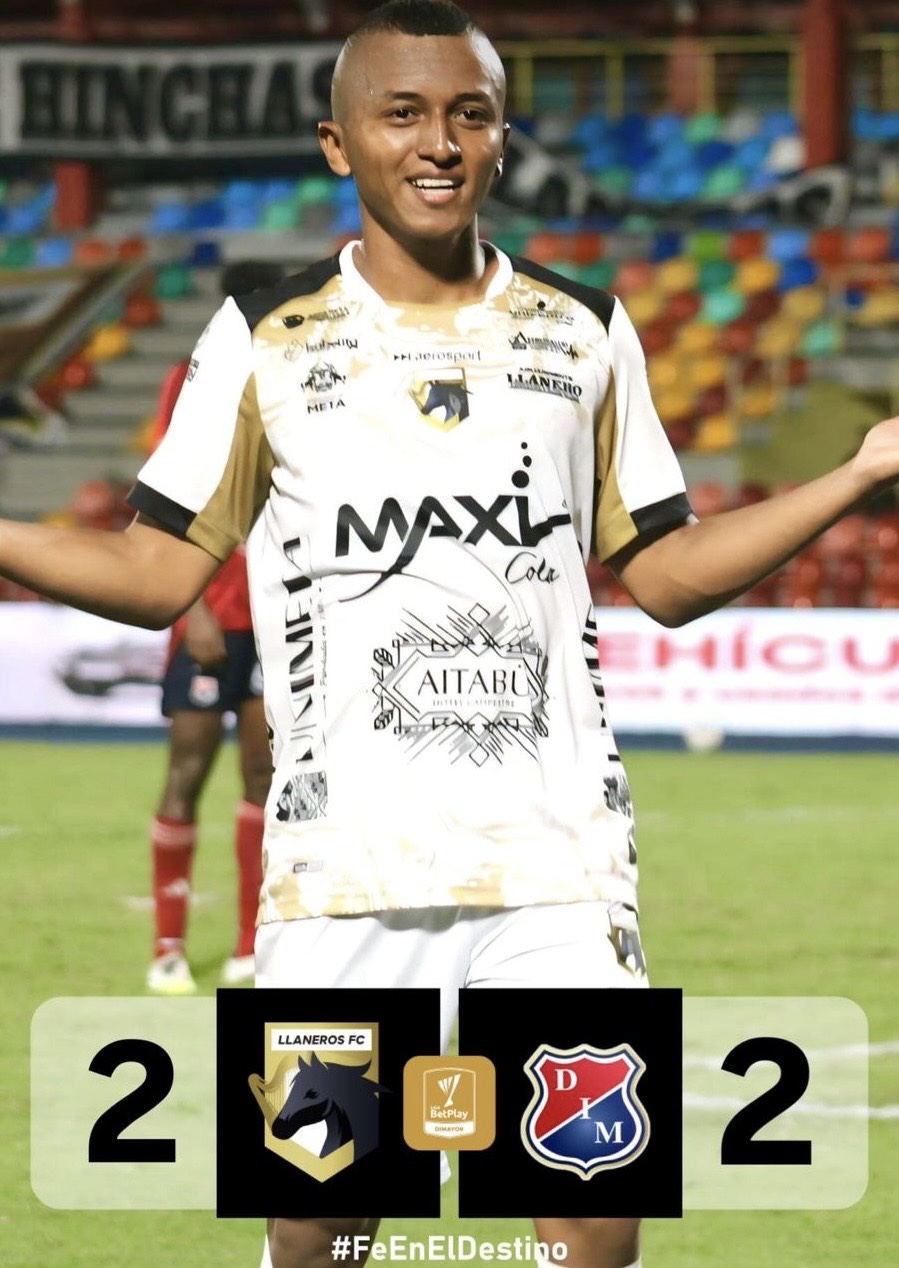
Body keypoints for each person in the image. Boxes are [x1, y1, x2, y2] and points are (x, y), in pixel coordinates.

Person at [2, 2, 899, 1264]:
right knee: (323, 1226)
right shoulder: (261, 336)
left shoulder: (582, 329)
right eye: (403, 113)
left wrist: (856, 472)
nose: (437, 142)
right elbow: (154, 572)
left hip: (557, 866)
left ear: (499, 138)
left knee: (595, 1221)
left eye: (468, 114)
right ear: (337, 142)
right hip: (339, 876)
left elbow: (664, 570)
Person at [145, 260, 286, 995]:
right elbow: (165, 499)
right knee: (188, 770)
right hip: (209, 615)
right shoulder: (193, 380)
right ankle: (167, 947)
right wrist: (191, 607)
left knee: (264, 776)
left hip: (275, 617)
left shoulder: (302, 374)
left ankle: (247, 946)